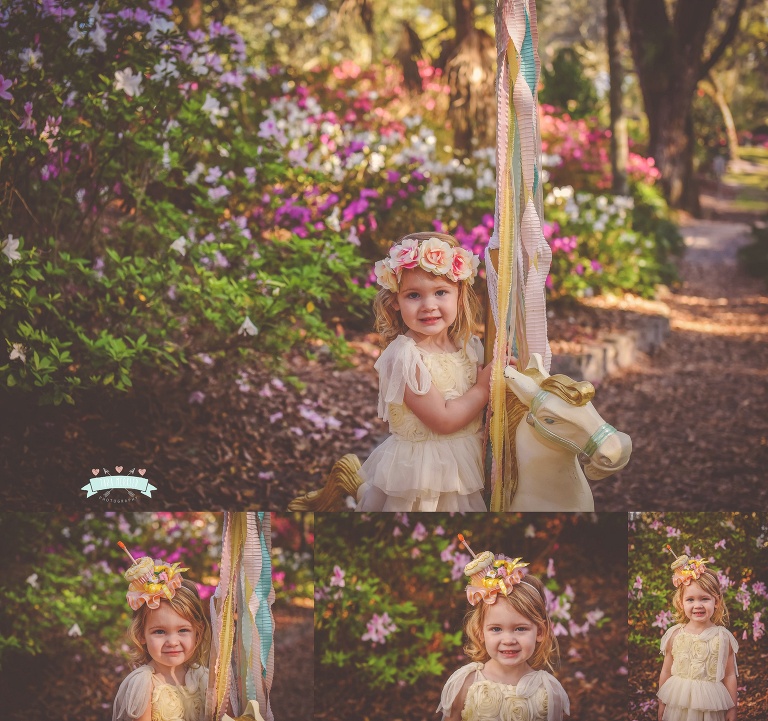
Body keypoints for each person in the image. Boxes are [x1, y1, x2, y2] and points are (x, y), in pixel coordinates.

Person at [355, 232, 500, 512]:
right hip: (425, 476)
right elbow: (443, 420)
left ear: (460, 295)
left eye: (441, 292)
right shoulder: (404, 356)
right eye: (413, 295)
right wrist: (483, 388)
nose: (429, 306)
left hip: (468, 463)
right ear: (395, 300)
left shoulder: (467, 347)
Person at [437, 539, 570, 721]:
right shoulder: (466, 684)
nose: (508, 640)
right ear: (479, 632)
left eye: (520, 629)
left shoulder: (549, 691)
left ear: (539, 631)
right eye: (496, 629)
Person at [113, 550, 211, 721]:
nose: (172, 642)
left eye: (183, 630)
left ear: (198, 632)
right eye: (159, 631)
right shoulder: (144, 684)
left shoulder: (204, 678)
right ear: (141, 634)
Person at [657, 549, 738, 721]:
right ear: (681, 603)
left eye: (704, 599)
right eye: (690, 599)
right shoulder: (675, 635)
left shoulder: (723, 637)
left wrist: (732, 708)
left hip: (709, 707)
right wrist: (661, 703)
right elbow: (665, 671)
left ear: (716, 602)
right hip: (679, 705)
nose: (697, 605)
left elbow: (730, 674)